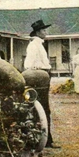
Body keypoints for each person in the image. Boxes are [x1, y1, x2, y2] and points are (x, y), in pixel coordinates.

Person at [23, 20, 59, 148]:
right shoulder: (33, 45)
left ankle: (47, 139)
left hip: (44, 77)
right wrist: (38, 68)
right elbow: (27, 65)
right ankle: (44, 139)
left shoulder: (40, 44)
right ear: (38, 32)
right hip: (38, 79)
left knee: (44, 109)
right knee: (42, 109)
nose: (46, 32)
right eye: (44, 30)